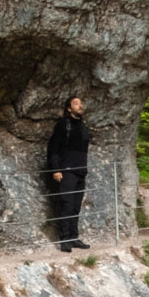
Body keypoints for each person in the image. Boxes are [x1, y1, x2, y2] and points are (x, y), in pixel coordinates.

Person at [46, 95, 91, 250]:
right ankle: (64, 239)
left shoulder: (82, 126)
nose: (80, 105)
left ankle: (74, 237)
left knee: (76, 206)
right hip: (67, 171)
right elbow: (53, 148)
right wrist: (56, 170)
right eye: (76, 103)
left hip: (80, 171)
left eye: (81, 103)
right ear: (69, 108)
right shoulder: (63, 125)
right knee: (67, 204)